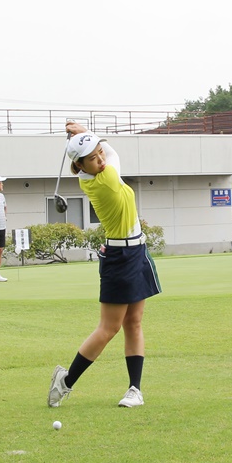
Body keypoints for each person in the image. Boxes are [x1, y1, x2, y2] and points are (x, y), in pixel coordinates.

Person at [48, 122, 162, 408]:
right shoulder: (103, 180)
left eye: (99, 153)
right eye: (92, 158)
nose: (100, 159)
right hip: (120, 257)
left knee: (134, 322)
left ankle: (134, 390)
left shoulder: (97, 172)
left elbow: (107, 152)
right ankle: (65, 382)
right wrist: (86, 131)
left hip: (137, 251)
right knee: (109, 328)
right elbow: (114, 155)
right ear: (80, 165)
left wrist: (86, 135)